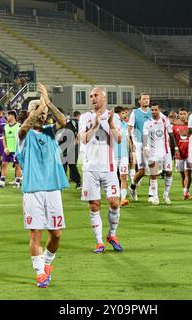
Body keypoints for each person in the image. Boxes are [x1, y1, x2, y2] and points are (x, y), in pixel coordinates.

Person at [16, 83, 68, 288]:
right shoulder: (23, 135)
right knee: (35, 233)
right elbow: (24, 128)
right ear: (29, 113)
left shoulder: (49, 132)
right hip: (33, 191)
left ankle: (47, 264)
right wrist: (40, 105)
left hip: (53, 188)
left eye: (44, 112)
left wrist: (48, 102)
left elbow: (63, 121)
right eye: (37, 112)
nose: (42, 115)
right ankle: (39, 273)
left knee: (56, 235)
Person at [79, 87, 123, 254]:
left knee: (114, 202)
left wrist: (110, 123)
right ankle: (99, 242)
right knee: (94, 205)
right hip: (90, 168)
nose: (93, 98)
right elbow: (84, 139)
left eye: (96, 95)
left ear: (104, 97)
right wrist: (96, 125)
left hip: (109, 168)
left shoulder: (115, 117)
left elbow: (118, 139)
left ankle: (112, 235)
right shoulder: (85, 117)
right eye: (91, 96)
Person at [142, 104, 178, 205]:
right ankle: (155, 196)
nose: (154, 111)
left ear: (159, 110)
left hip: (166, 152)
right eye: (152, 110)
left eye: (155, 110)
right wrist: (145, 147)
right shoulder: (147, 123)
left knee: (169, 172)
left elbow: (171, 134)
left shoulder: (165, 120)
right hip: (153, 153)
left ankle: (166, 195)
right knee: (154, 175)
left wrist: (175, 148)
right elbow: (145, 136)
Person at [128, 93, 152, 201]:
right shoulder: (135, 113)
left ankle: (152, 194)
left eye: (147, 98)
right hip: (140, 144)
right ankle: (132, 186)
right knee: (142, 171)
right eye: (144, 99)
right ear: (139, 101)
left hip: (152, 144)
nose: (146, 100)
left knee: (153, 169)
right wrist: (131, 142)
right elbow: (129, 129)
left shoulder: (153, 112)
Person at [0, 110, 22, 188]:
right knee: (3, 164)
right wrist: (5, 148)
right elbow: (4, 138)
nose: (7, 117)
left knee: (17, 166)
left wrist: (18, 149)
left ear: (13, 116)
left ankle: (17, 182)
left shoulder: (19, 126)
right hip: (7, 150)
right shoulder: (6, 126)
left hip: (16, 150)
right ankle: (2, 182)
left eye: (8, 115)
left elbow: (22, 139)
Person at [172, 108, 192, 200]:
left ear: (187, 115)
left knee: (188, 172)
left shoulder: (190, 126)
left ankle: (186, 192)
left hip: (190, 153)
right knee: (182, 174)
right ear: (178, 115)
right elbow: (172, 141)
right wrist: (173, 152)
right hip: (179, 153)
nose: (183, 115)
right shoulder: (174, 127)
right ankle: (185, 190)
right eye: (181, 114)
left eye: (184, 114)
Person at [59, 110, 82, 189]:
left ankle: (78, 181)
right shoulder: (58, 125)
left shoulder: (71, 123)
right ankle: (62, 182)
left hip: (70, 146)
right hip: (62, 147)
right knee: (63, 164)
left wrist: (74, 143)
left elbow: (78, 134)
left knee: (72, 165)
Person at [114, 106, 130, 206]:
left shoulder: (125, 125)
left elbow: (127, 140)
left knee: (123, 176)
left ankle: (123, 198)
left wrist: (131, 152)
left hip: (124, 155)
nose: (125, 115)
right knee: (114, 178)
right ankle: (114, 196)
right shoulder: (111, 125)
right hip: (113, 155)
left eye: (125, 113)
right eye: (123, 113)